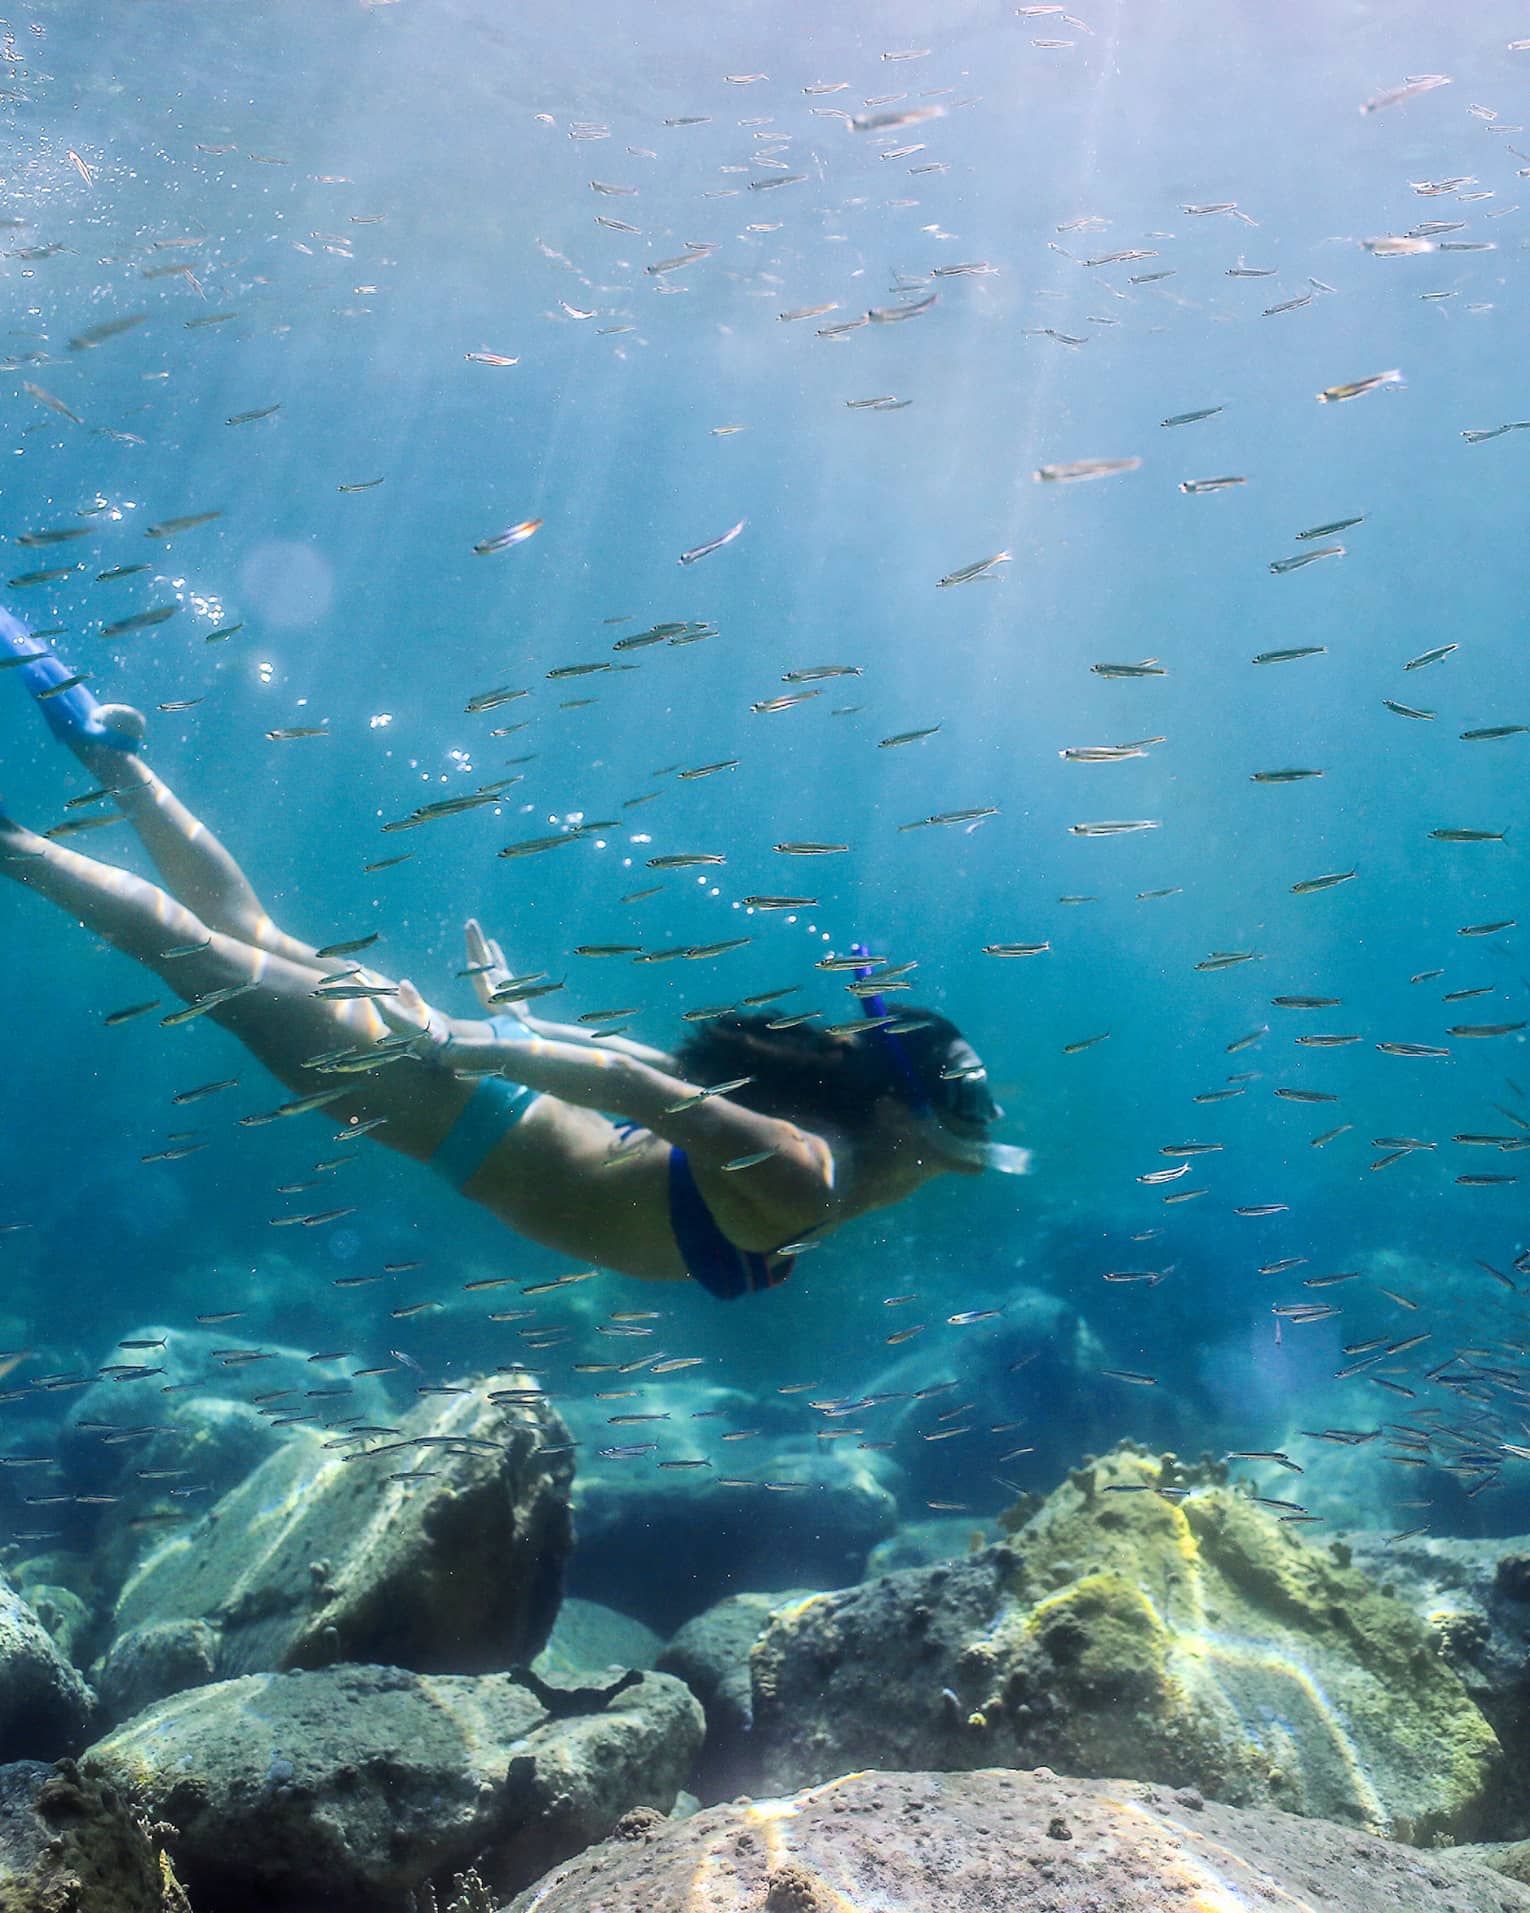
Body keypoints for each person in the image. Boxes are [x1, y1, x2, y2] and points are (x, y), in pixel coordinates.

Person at [1, 612, 1027, 1299]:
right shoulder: (806, 1173)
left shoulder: (801, 1147)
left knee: (246, 936)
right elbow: (632, 1083)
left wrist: (513, 1029)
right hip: (439, 1090)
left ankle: (102, 746)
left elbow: (650, 1084)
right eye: (943, 1156)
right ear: (895, 1114)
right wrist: (469, 1041)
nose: (935, 1178)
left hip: (468, 1073)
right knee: (196, 958)